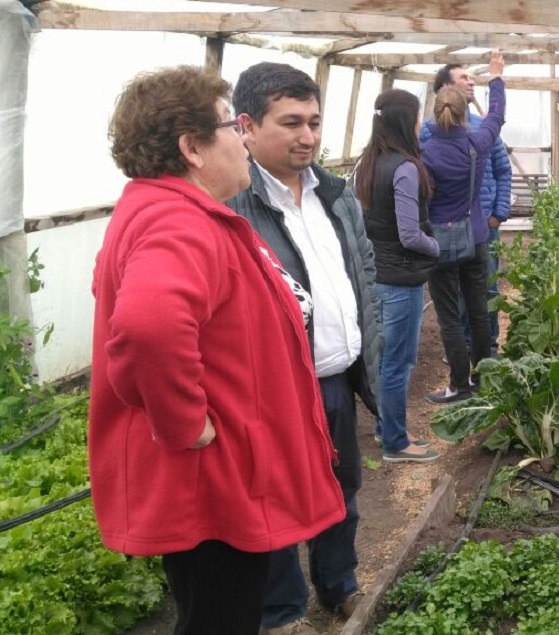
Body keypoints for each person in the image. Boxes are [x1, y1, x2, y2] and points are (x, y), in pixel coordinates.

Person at [90, 66, 345, 635]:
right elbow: (148, 324)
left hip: (216, 480)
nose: (243, 139)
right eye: (232, 126)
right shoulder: (178, 220)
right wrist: (185, 422)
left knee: (216, 611)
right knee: (221, 617)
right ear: (192, 148)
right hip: (211, 480)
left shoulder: (170, 211)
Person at [227, 62, 383, 635]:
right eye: (291, 122)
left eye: (314, 122)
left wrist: (372, 337)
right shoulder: (234, 204)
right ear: (246, 126)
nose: (308, 137)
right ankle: (283, 612)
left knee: (342, 488)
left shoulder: (335, 194)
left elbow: (363, 264)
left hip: (336, 377)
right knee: (276, 500)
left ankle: (339, 584)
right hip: (273, 390)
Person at [354, 89, 441, 463]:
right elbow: (409, 234)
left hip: (375, 275)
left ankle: (383, 427)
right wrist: (437, 248)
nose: (421, 124)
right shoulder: (405, 168)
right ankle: (396, 442)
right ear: (406, 121)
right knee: (398, 362)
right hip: (402, 280)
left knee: (381, 356)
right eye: (418, 117)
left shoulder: (366, 163)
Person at [421, 50, 506, 404]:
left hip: (440, 244)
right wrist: (496, 77)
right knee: (478, 309)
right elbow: (496, 116)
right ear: (462, 112)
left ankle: (459, 385)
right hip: (475, 238)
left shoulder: (423, 152)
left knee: (450, 318)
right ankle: (484, 379)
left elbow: (419, 197)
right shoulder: (477, 142)